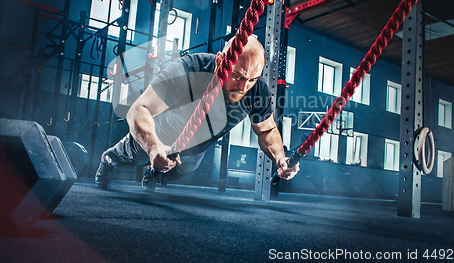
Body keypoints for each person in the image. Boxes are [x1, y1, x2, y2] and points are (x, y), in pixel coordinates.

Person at [95, 35, 300, 190]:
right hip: (163, 133)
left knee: (185, 167)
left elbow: (266, 130)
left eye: (253, 78)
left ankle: (154, 171)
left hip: (196, 148)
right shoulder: (190, 69)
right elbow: (139, 109)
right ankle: (109, 159)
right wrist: (153, 147)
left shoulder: (257, 90)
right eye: (238, 76)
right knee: (132, 156)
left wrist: (281, 159)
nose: (244, 86)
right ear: (221, 61)